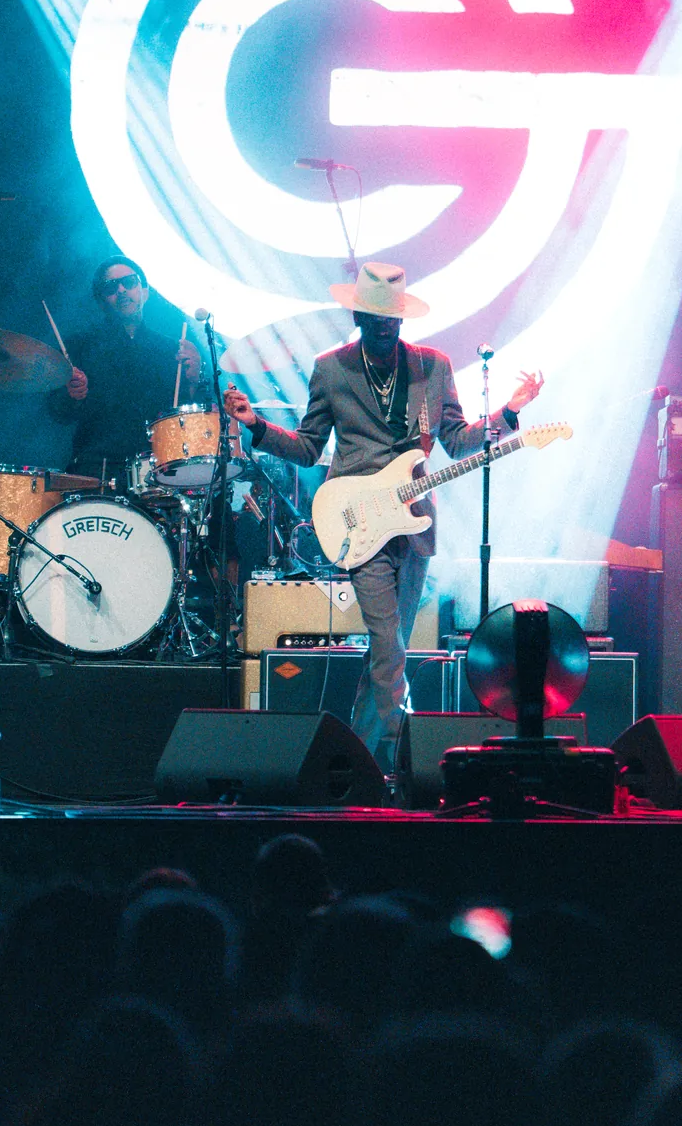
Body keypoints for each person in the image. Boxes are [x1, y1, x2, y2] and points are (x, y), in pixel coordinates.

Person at [223, 261, 543, 781]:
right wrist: (256, 426)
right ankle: (411, 756)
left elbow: (458, 440)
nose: (384, 325)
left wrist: (508, 412)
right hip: (359, 521)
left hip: (413, 521)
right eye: (374, 316)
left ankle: (351, 762)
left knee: (386, 645)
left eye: (392, 316)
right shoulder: (332, 368)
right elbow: (307, 449)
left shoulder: (432, 367)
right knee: (387, 638)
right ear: (357, 314)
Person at [47, 257, 201, 488]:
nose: (121, 290)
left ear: (145, 292)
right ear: (101, 301)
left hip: (159, 469)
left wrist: (194, 380)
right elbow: (56, 412)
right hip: (96, 467)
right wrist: (71, 396)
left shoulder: (173, 349)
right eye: (111, 287)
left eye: (129, 282)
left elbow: (192, 418)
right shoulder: (78, 346)